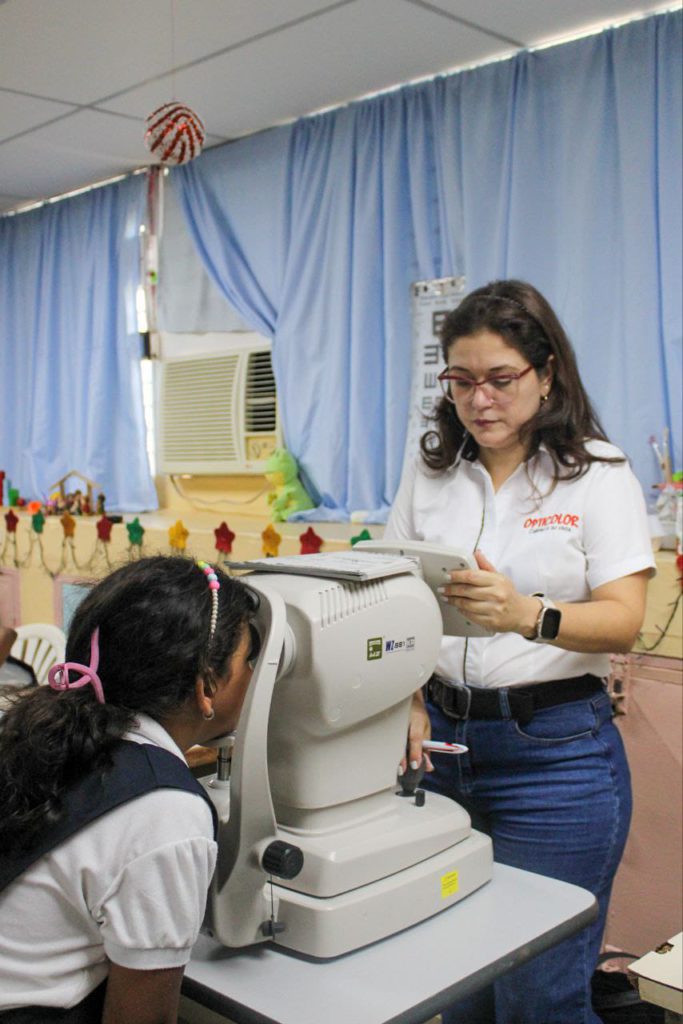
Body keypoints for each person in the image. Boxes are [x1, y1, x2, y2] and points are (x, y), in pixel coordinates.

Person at [385, 280, 655, 1024]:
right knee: (459, 985)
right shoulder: (432, 467)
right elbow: (397, 595)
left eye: (500, 379)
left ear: (544, 373)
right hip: (441, 745)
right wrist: (407, 699)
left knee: (539, 994)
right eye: (462, 381)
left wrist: (526, 615)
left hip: (555, 757)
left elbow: (624, 620)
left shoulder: (595, 471)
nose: (480, 400)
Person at [0, 555, 256, 1024]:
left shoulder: (50, 736)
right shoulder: (166, 811)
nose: (256, 676)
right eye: (248, 661)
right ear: (206, 684)